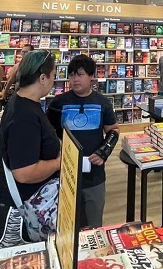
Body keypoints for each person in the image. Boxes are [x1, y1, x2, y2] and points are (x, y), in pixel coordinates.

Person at [0, 50, 61, 253]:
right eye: (53, 76)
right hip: (12, 217)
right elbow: (24, 172)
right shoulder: (24, 115)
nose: (54, 81)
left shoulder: (22, 103)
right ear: (42, 78)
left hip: (18, 208)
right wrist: (62, 161)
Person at [47, 54, 119, 228]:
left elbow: (113, 130)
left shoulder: (102, 103)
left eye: (80, 74)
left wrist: (104, 152)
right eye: (72, 75)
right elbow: (48, 134)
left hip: (94, 175)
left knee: (94, 224)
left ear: (91, 76)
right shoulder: (58, 103)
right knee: (66, 224)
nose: (75, 79)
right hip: (64, 173)